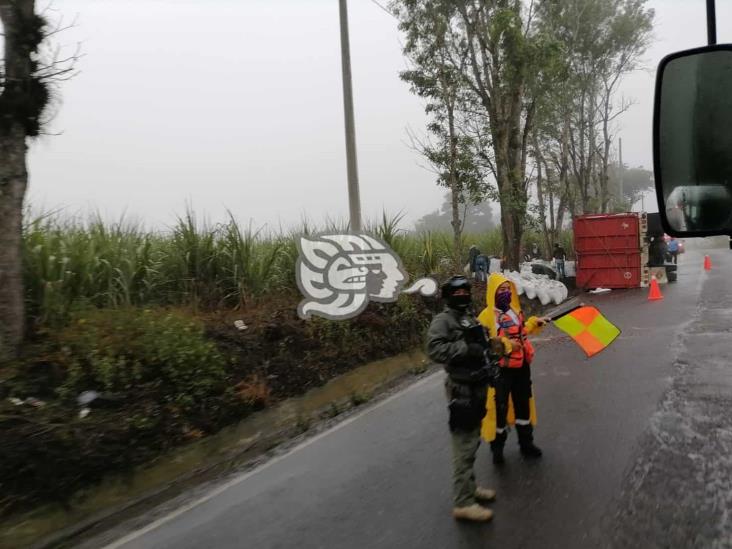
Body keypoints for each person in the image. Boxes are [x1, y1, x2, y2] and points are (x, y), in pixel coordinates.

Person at [426, 275, 509, 522]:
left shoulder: (468, 317)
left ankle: (470, 489)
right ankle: (463, 502)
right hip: (462, 390)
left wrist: (492, 346)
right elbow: (434, 350)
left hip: (477, 387)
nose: (462, 294)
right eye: (457, 291)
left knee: (472, 441)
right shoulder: (444, 320)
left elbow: (480, 344)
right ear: (448, 295)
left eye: (465, 290)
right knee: (463, 445)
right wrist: (465, 347)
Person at [477, 273, 548, 465]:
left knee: (523, 405)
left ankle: (527, 444)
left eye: (508, 289)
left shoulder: (515, 311)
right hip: (501, 371)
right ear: (493, 291)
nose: (506, 292)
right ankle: (497, 448)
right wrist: (506, 345)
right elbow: (482, 344)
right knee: (500, 409)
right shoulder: (485, 317)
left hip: (522, 367)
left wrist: (534, 324)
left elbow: (521, 331)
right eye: (501, 289)